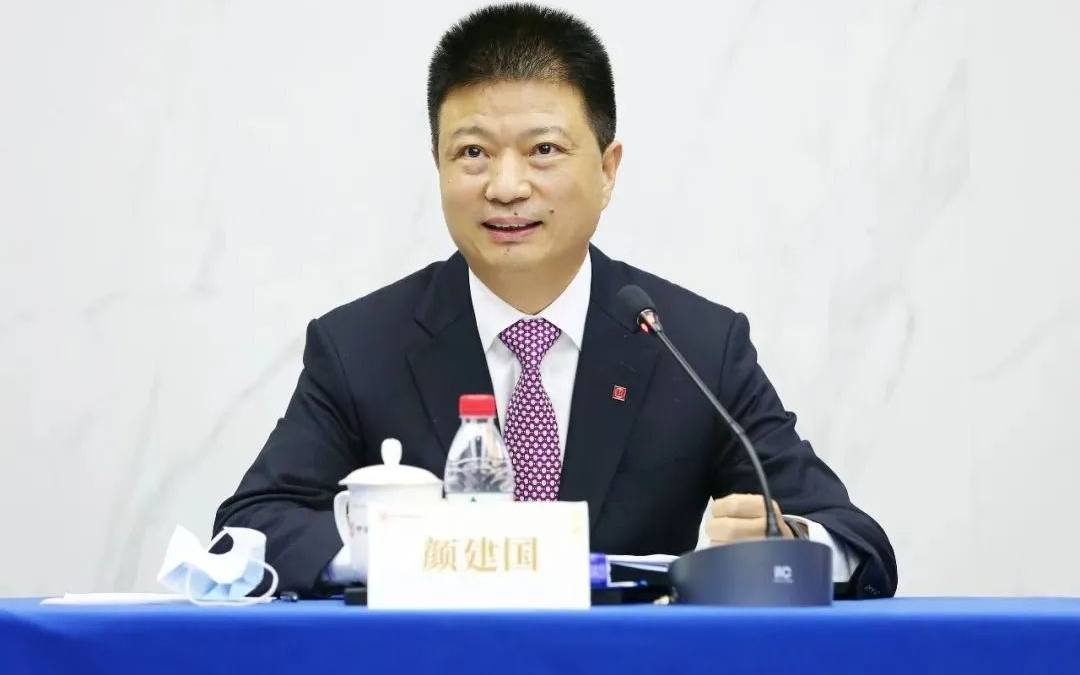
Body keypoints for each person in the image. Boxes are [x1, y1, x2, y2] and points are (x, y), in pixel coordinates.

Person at [214, 2, 897, 599]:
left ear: (607, 171)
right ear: (438, 166)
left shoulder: (692, 343)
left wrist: (789, 541)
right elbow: (249, 527)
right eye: (473, 153)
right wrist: (388, 553)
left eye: (543, 149)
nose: (506, 186)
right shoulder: (362, 346)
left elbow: (857, 543)